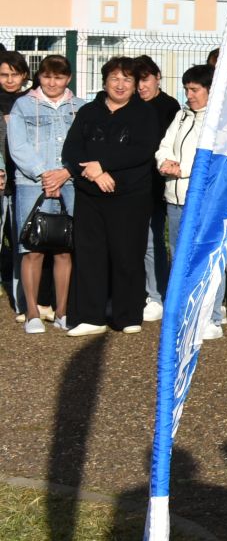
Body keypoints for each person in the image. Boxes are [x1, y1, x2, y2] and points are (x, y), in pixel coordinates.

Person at [155, 65, 227, 341]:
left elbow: (215, 157)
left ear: (210, 91)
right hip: (175, 198)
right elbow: (165, 145)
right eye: (187, 89)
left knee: (209, 258)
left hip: (203, 200)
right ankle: (188, 311)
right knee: (180, 255)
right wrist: (163, 162)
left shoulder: (221, 122)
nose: (189, 95)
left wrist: (185, 169)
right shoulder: (181, 116)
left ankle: (213, 315)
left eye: (195, 89)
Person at [62, 56, 162, 336]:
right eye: (115, 79)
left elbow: (142, 149)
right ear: (105, 81)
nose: (120, 85)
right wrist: (94, 173)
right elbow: (72, 149)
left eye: (127, 80)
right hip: (90, 196)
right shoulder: (88, 112)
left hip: (131, 196)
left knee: (127, 254)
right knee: (90, 255)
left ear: (135, 84)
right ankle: (90, 316)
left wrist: (103, 164)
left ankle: (127, 315)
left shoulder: (145, 113)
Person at [9, 55, 77, 332]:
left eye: (59, 77)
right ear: (39, 77)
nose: (52, 82)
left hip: (69, 184)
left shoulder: (78, 107)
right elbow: (18, 145)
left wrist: (65, 172)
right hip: (31, 184)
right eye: (47, 76)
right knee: (32, 248)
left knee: (64, 247)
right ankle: (32, 312)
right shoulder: (23, 105)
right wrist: (44, 174)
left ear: (68, 79)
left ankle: (62, 310)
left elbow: (82, 145)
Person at [134, 54, 180, 322]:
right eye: (137, 81)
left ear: (157, 78)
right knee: (132, 242)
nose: (141, 87)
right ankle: (137, 290)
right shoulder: (131, 105)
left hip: (160, 185)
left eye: (146, 80)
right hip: (131, 185)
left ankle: (156, 294)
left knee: (154, 242)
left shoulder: (169, 107)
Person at [0, 48, 27, 317]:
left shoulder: (29, 101)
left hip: (22, 180)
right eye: (4, 74)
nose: (9, 80)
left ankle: (23, 297)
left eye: (14, 74)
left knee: (21, 237)